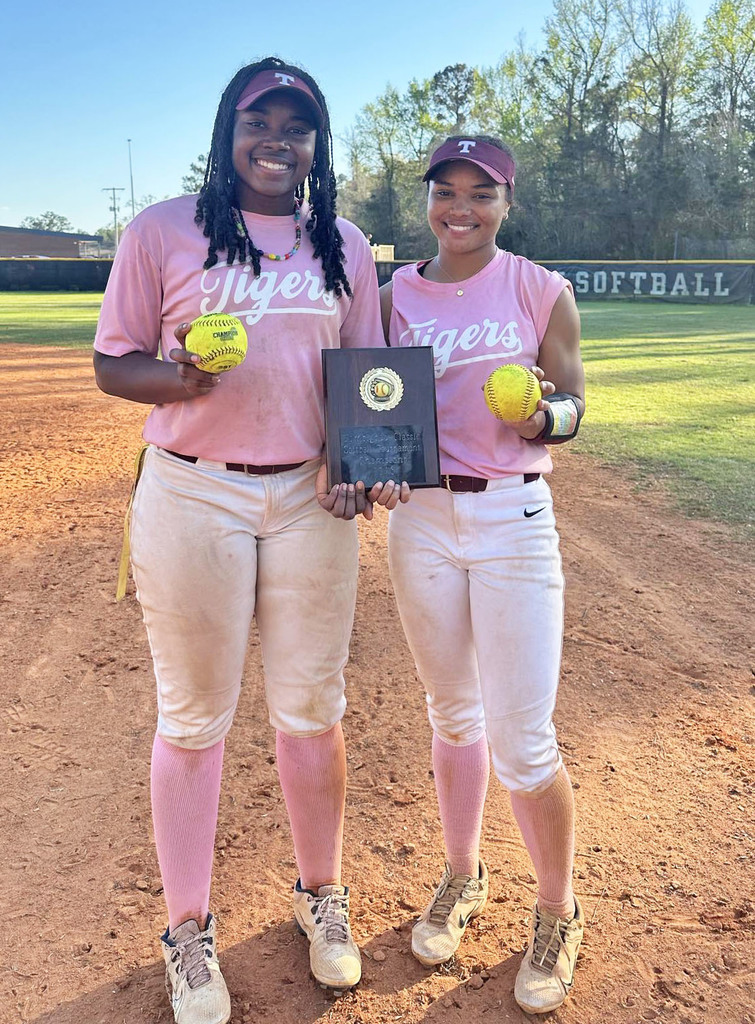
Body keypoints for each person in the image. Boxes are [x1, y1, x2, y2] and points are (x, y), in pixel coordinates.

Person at [94, 57, 401, 1024]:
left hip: (312, 503)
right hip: (193, 497)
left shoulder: (341, 241)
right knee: (193, 719)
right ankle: (188, 930)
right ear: (229, 129)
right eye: (259, 121)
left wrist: (361, 460)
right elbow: (114, 365)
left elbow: (368, 373)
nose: (278, 140)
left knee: (313, 709)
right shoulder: (162, 231)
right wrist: (176, 378)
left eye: (297, 126)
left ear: (317, 142)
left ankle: (322, 896)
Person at [379, 135, 586, 1015]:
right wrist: (372, 458)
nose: (460, 208)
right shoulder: (393, 295)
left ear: (506, 202)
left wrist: (543, 413)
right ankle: (462, 875)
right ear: (426, 199)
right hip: (420, 519)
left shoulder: (541, 288)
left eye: (481, 193)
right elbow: (371, 397)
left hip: (511, 517)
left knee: (524, 739)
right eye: (445, 191)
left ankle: (556, 909)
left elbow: (575, 405)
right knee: (450, 714)